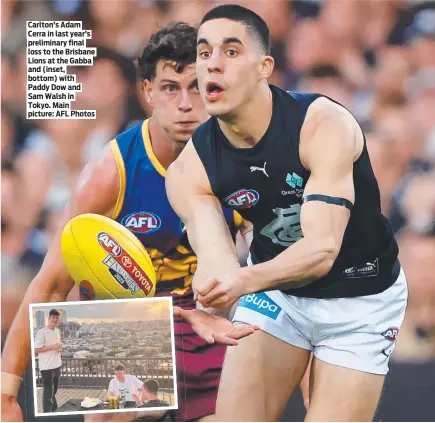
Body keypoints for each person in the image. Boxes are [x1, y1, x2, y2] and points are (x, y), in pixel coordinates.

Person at [1, 21, 256, 423]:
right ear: (149, 92)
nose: (186, 103)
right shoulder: (111, 171)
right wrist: (6, 391)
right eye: (171, 88)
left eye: (197, 87)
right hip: (121, 321)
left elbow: (278, 272)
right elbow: (51, 284)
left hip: (205, 317)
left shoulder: (243, 162)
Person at [166, 5, 408, 421]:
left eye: (231, 51)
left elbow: (321, 250)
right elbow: (217, 258)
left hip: (361, 299)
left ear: (265, 67)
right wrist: (213, 295)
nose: (213, 66)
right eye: (204, 54)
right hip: (278, 294)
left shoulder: (322, 124)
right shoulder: (190, 169)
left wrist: (240, 281)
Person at [34, 309, 62, 413]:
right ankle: (47, 413)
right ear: (49, 318)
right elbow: (36, 349)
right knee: (48, 394)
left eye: (57, 318)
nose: (55, 319)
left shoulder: (57, 331)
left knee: (53, 391)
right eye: (53, 317)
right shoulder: (42, 332)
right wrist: (53, 346)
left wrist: (58, 348)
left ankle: (54, 410)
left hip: (57, 365)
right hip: (47, 367)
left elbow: (56, 346)